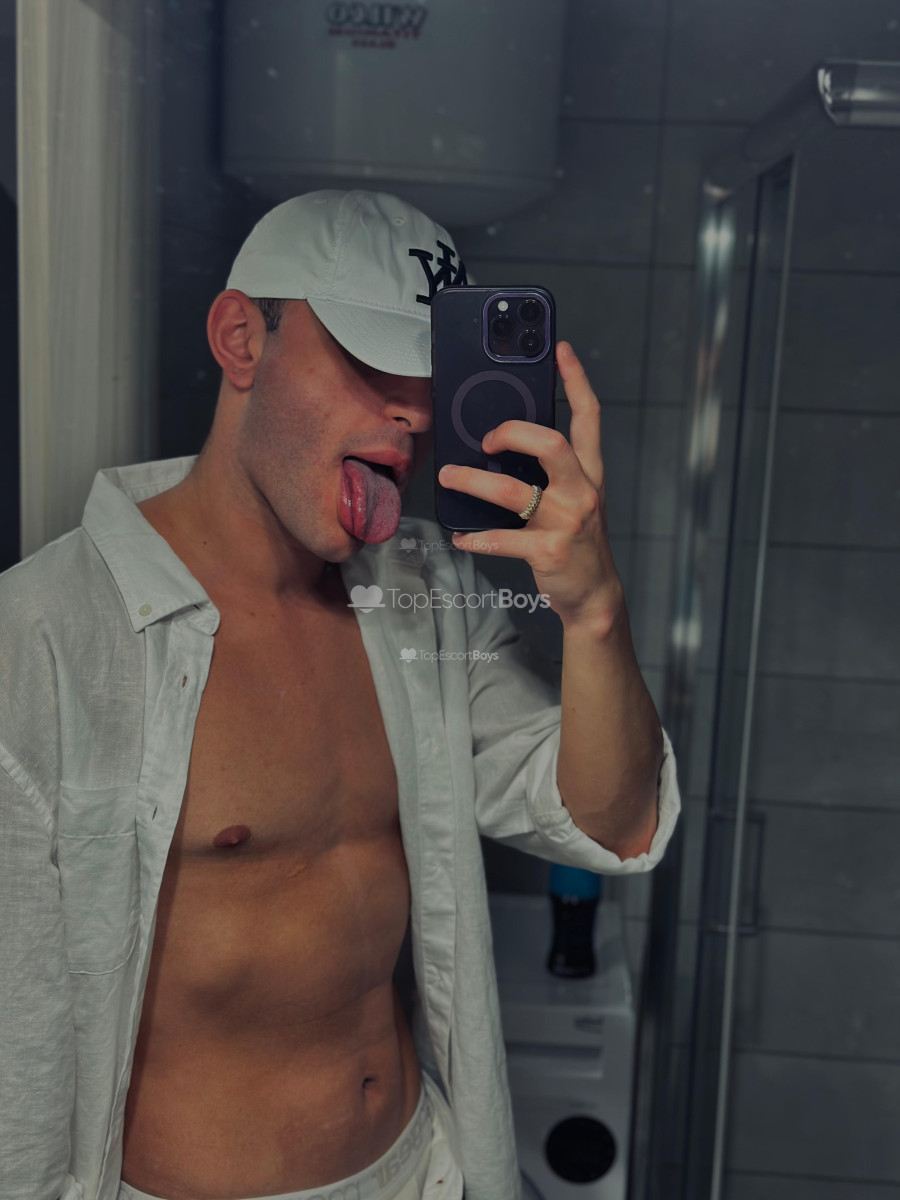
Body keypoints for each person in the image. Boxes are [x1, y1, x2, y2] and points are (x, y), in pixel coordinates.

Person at [0, 189, 682, 1200]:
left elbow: (614, 823)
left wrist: (593, 613)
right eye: (370, 365)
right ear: (241, 339)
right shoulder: (47, 635)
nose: (414, 412)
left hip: (419, 1168)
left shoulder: (423, 594)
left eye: (432, 377)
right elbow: (16, 1058)